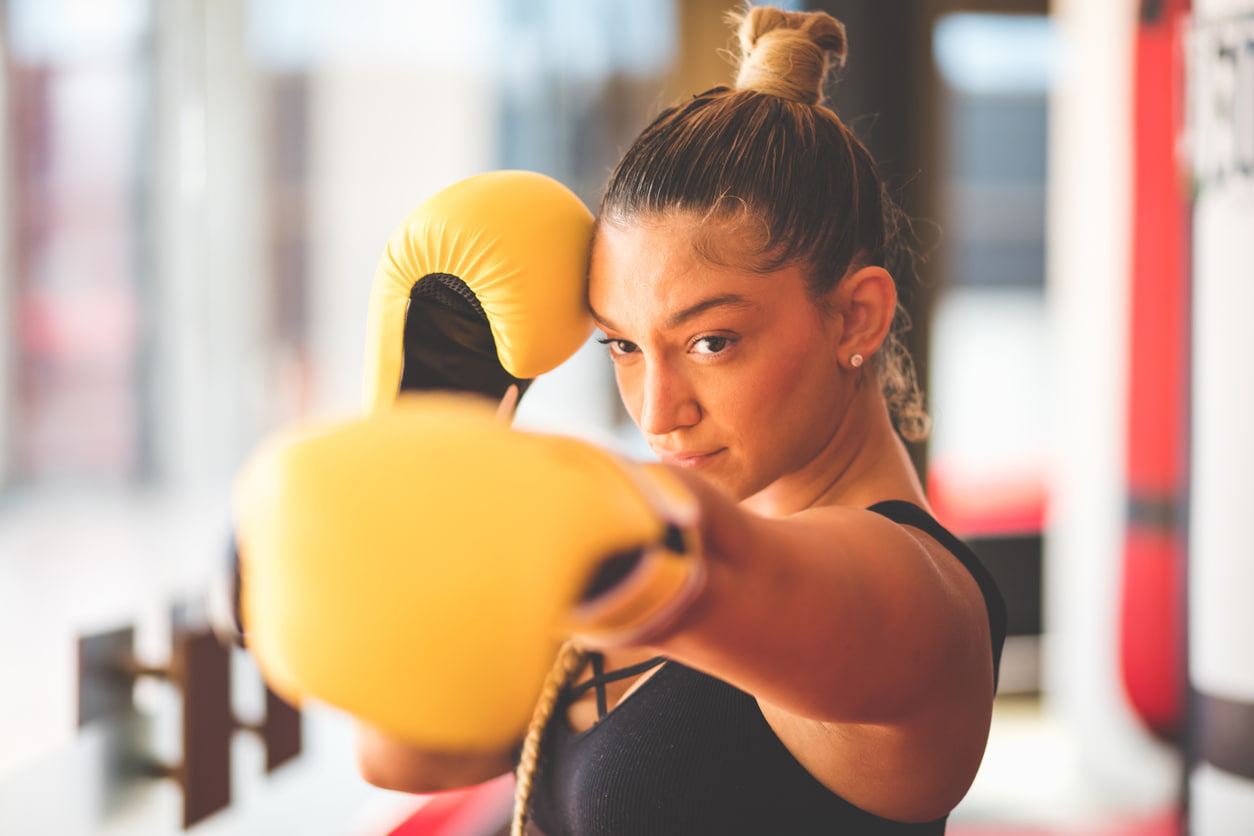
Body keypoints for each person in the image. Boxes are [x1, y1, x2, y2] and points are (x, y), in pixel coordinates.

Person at [355, 7, 1006, 835]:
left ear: (856, 318)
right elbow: (401, 751)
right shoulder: (666, 563)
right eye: (622, 346)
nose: (658, 412)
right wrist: (440, 404)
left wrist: (416, 489)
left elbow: (740, 573)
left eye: (710, 341)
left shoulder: (913, 600)